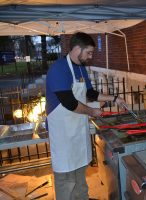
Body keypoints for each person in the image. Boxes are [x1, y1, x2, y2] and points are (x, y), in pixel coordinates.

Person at [46, 32, 125, 200]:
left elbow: (90, 93)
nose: (90, 57)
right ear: (76, 49)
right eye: (88, 52)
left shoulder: (80, 68)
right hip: (63, 135)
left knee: (80, 177)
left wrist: (115, 99)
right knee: (66, 180)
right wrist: (92, 112)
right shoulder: (59, 69)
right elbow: (70, 103)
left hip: (77, 132)